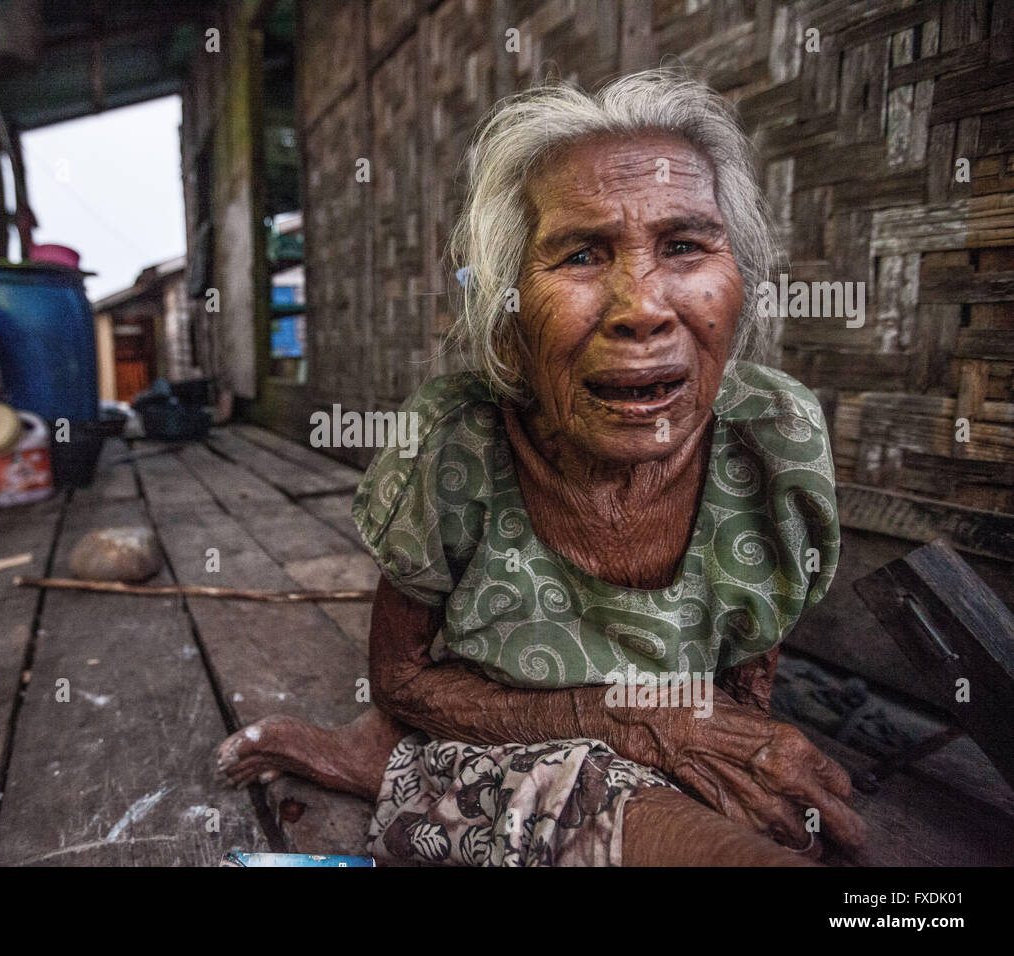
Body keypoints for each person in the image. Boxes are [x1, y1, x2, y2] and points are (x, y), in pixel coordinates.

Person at [218, 70, 867, 866]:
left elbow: (744, 676)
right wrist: (638, 723)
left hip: (677, 726)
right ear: (509, 310)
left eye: (686, 245)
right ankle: (379, 756)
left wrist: (715, 747)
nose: (643, 307)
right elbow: (400, 675)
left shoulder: (776, 439)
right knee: (553, 796)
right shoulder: (455, 442)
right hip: (490, 727)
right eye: (583, 253)